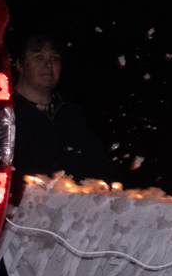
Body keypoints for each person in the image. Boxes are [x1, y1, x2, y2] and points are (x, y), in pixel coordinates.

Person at [8, 31, 112, 184]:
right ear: (20, 65)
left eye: (54, 58)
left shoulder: (71, 113)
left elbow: (100, 165)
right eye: (39, 57)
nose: (48, 65)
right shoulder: (8, 112)